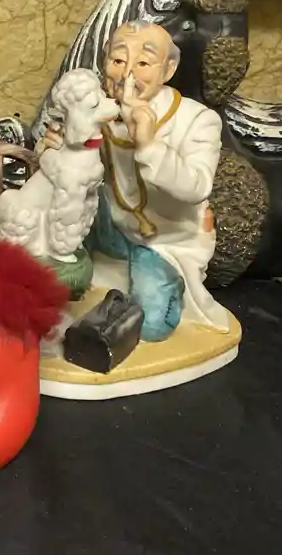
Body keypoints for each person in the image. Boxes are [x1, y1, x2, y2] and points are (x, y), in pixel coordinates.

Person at [40, 20, 229, 341]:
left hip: (161, 236)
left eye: (143, 63)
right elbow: (64, 167)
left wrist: (149, 145)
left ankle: (167, 284)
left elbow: (197, 187)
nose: (127, 74)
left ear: (168, 70)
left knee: (151, 325)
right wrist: (54, 148)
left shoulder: (197, 120)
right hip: (103, 220)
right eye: (117, 60)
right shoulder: (95, 109)